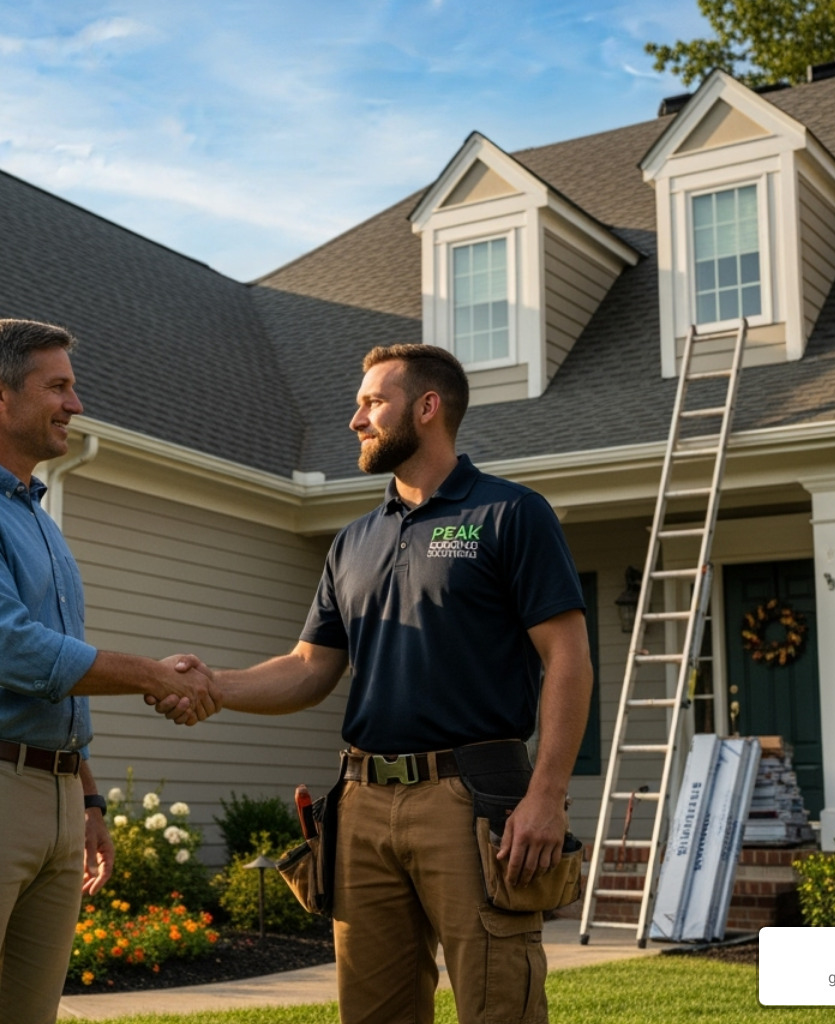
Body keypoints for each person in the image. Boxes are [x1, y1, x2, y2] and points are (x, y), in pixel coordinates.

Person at [207, 343, 594, 1024]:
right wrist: (209, 686)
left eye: (372, 403)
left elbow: (568, 658)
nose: (355, 419)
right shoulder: (353, 540)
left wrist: (546, 795)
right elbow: (309, 668)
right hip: (360, 803)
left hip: (471, 798)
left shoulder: (510, 513)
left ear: (427, 407)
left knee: (499, 1006)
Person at [0, 318, 218, 1024]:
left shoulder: (38, 519)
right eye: (58, 387)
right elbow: (12, 652)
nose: (75, 404)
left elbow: (55, 677)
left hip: (57, 794)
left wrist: (87, 798)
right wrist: (153, 675)